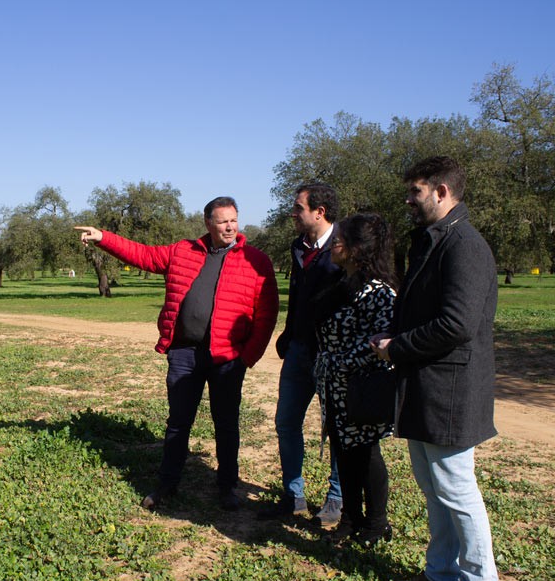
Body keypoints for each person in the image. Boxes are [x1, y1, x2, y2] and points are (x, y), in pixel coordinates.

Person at [75, 197, 278, 511]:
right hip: (184, 352)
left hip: (227, 358)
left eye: (234, 220)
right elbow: (142, 255)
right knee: (178, 422)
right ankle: (166, 484)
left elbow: (266, 314)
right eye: (223, 221)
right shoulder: (183, 251)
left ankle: (227, 487)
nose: (230, 227)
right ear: (208, 223)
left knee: (226, 423)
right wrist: (104, 238)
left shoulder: (256, 260)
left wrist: (247, 356)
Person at [372, 156, 499, 581]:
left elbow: (457, 324)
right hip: (428, 384)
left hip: (451, 388)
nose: (409, 199)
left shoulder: (463, 245)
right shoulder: (434, 241)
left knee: (456, 488)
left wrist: (396, 346)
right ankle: (442, 574)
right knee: (435, 487)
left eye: (416, 191)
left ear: (442, 191)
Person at [258, 183, 343, 527]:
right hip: (298, 352)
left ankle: (337, 499)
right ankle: (294, 496)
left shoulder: (345, 246)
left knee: (337, 429)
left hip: (333, 356)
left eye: (298, 208)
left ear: (319, 212)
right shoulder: (299, 247)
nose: (292, 213)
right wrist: (289, 334)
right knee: (286, 422)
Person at [312, 213, 397, 547]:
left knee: (366, 452)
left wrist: (340, 362)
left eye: (340, 240)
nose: (334, 244)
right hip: (335, 386)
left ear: (358, 248)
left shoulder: (378, 292)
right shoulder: (340, 283)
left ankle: (377, 525)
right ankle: (350, 518)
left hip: (362, 385)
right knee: (343, 451)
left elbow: (381, 342)